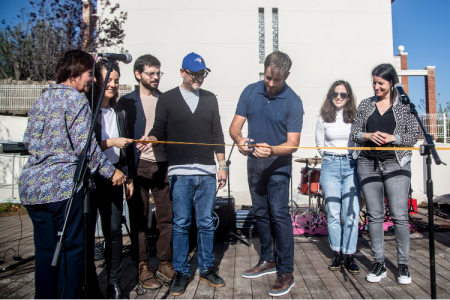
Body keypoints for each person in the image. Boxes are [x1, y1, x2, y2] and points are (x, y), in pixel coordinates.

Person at [18, 50, 126, 299]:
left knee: (46, 252)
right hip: (62, 189)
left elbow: (29, 140)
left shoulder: (43, 98)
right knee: (71, 251)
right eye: (90, 74)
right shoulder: (76, 100)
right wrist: (112, 173)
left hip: (33, 189)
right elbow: (86, 147)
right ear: (76, 73)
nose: (91, 80)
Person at [138, 52, 227, 296]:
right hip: (180, 172)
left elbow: (217, 133)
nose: (199, 78)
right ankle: (180, 271)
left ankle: (207, 268)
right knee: (180, 223)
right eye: (194, 74)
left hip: (207, 172)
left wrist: (222, 166)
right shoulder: (167, 99)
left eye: (202, 74)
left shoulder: (210, 99)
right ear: (182, 73)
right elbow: (159, 129)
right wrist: (151, 140)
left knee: (206, 222)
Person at [229, 51, 303, 297]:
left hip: (279, 166)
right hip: (254, 164)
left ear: (287, 76)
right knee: (260, 212)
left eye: (277, 80)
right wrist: (239, 140)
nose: (270, 84)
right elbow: (235, 126)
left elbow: (293, 143)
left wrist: (271, 149)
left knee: (279, 215)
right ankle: (267, 260)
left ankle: (286, 271)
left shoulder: (294, 101)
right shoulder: (250, 91)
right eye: (268, 77)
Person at [351, 63, 419, 284]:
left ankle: (403, 266)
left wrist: (393, 138)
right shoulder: (365, 104)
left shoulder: (404, 106)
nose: (376, 86)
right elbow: (354, 133)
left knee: (399, 216)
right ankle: (378, 263)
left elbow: (413, 136)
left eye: (380, 83)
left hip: (396, 165)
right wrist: (368, 135)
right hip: (367, 163)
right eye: (374, 82)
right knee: (375, 216)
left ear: (391, 82)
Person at [118, 54, 173, 290]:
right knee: (138, 218)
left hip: (163, 165)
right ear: (138, 74)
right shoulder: (126, 102)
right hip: (138, 166)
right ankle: (142, 264)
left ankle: (164, 261)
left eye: (158, 73)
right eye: (151, 73)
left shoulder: (167, 100)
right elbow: (119, 134)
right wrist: (126, 170)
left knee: (166, 217)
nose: (156, 77)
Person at [88, 59, 134, 299]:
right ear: (96, 79)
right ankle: (90, 285)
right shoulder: (87, 109)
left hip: (116, 176)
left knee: (114, 231)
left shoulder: (120, 111)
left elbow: (125, 150)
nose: (114, 84)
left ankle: (114, 283)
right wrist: (112, 142)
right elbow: (85, 147)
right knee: (86, 234)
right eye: (109, 79)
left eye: (116, 80)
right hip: (92, 178)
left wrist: (129, 178)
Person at [315, 80, 361, 275]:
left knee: (351, 213)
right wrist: (333, 156)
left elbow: (360, 141)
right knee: (333, 212)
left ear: (348, 97)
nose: (339, 97)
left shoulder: (356, 118)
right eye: (335, 93)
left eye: (343, 94)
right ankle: (336, 254)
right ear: (330, 95)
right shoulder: (323, 119)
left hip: (351, 165)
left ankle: (350, 256)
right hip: (330, 166)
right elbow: (319, 146)